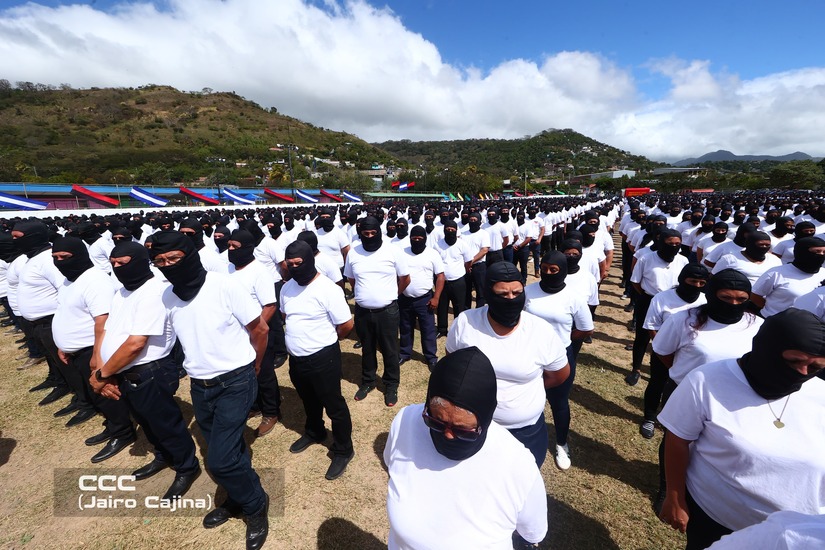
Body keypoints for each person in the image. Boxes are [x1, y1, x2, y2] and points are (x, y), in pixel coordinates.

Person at [658, 309, 825, 550]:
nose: (802, 373)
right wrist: (675, 495)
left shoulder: (820, 395)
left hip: (796, 536)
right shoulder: (706, 381)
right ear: (767, 348)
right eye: (794, 361)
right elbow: (677, 438)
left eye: (815, 367)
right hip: (716, 519)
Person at [150, 231, 270, 550]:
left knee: (218, 460)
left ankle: (256, 505)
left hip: (235, 380)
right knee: (230, 450)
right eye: (159, 261)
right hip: (199, 385)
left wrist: (253, 367)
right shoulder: (167, 296)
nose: (167, 266)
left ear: (189, 256)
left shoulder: (225, 285)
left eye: (173, 259)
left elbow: (260, 329)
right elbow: (170, 340)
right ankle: (236, 497)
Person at [384, 346, 548, 548]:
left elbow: (533, 533)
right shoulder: (406, 421)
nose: (448, 435)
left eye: (463, 430)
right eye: (436, 422)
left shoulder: (519, 466)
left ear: (486, 418)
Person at [90, 241, 200, 498]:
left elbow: (136, 343)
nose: (117, 268)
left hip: (150, 371)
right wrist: (99, 363)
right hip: (121, 371)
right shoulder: (121, 292)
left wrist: (101, 376)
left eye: (123, 263)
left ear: (140, 262)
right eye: (113, 264)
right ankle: (162, 456)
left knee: (166, 424)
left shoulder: (155, 292)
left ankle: (186, 466)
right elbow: (108, 329)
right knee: (146, 422)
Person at [446, 261, 569, 467]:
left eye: (516, 293)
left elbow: (559, 374)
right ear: (487, 294)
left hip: (524, 431)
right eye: (503, 294)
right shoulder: (465, 322)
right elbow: (453, 363)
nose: (511, 299)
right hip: (473, 427)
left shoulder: (541, 331)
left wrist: (523, 390)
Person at [51, 236, 136, 461]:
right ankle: (112, 425)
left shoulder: (95, 280)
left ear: (79, 255)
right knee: (95, 392)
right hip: (75, 351)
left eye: (64, 257)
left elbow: (103, 321)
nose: (59, 262)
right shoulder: (69, 280)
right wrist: (63, 345)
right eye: (55, 258)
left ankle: (123, 432)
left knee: (106, 391)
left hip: (92, 349)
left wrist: (97, 357)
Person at [280, 241, 355, 480]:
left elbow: (346, 325)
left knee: (334, 405)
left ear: (310, 261)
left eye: (298, 264)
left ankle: (344, 448)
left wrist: (326, 341)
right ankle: (315, 432)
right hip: (297, 359)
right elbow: (286, 315)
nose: (293, 268)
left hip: (323, 358)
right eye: (289, 265)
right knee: (308, 400)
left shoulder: (328, 289)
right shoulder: (286, 288)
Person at [524, 250, 593, 470]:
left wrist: (561, 341)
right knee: (526, 397)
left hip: (559, 357)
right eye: (544, 269)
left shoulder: (573, 297)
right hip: (529, 354)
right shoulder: (528, 292)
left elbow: (585, 328)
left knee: (559, 402)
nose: (547, 273)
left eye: (553, 270)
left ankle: (562, 443)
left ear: (562, 271)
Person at [344, 216, 410, 407]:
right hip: (363, 312)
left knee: (390, 350)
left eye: (373, 233)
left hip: (387, 311)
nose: (370, 236)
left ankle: (391, 385)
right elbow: (352, 279)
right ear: (360, 234)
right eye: (366, 234)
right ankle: (368, 382)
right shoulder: (353, 253)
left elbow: (405, 278)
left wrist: (391, 295)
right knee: (368, 348)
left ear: (379, 232)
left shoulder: (393, 251)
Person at [638, 263, 709, 439]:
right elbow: (651, 326)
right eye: (693, 281)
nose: (697, 286)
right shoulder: (662, 299)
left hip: (693, 355)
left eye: (702, 283)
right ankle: (649, 417)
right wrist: (664, 349)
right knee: (658, 383)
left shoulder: (706, 301)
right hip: (664, 352)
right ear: (682, 280)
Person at [228, 229, 282, 437]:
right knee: (247, 372)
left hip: (256, 333)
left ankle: (271, 411)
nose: (230, 250)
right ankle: (256, 404)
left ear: (249, 249)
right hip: (236, 334)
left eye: (235, 247)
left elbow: (269, 306)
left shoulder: (259, 272)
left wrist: (254, 330)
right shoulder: (228, 269)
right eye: (229, 245)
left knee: (264, 372)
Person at [627, 229, 689, 386]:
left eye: (677, 244)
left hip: (674, 303)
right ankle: (636, 370)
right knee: (642, 337)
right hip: (649, 300)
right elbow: (635, 281)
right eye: (670, 244)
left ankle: (666, 371)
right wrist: (648, 297)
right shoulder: (646, 258)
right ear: (661, 243)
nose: (673, 247)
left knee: (670, 338)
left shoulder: (683, 261)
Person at [398, 226, 444, 370]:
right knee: (405, 327)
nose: (417, 241)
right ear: (410, 238)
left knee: (428, 328)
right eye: (414, 239)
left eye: (420, 239)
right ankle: (405, 353)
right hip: (405, 298)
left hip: (425, 299)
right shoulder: (402, 253)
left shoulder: (433, 254)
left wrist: (436, 297)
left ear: (424, 239)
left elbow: (440, 277)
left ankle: (431, 357)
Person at [750, 236, 825, 317]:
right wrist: (773, 311)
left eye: (824, 252)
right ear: (802, 252)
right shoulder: (776, 273)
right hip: (775, 322)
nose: (821, 255)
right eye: (817, 251)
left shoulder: (823, 273)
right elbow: (755, 296)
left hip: (806, 325)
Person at [433, 219, 472, 338]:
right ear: (444, 230)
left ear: (456, 231)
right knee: (442, 306)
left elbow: (468, 261)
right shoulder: (437, 244)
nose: (450, 231)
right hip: (442, 282)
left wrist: (462, 271)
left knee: (459, 306)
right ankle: (442, 329)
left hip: (458, 280)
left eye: (452, 230)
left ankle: (458, 328)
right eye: (447, 230)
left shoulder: (462, 244)